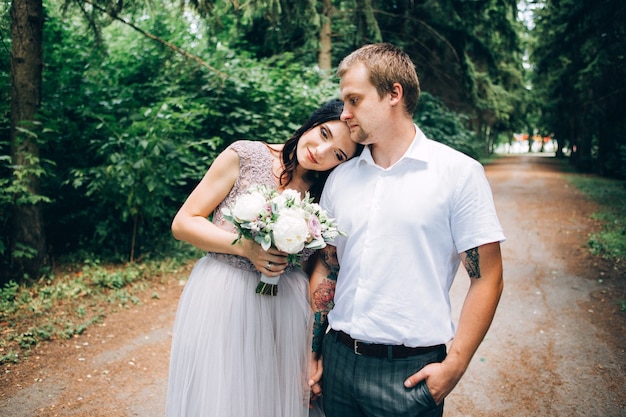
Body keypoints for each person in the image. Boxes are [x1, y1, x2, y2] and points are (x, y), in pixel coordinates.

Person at [308, 43, 505, 417]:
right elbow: (328, 267)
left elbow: (488, 277)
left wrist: (455, 365)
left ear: (393, 93)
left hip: (409, 374)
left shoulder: (458, 174)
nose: (344, 113)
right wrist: (313, 352)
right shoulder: (340, 179)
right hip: (337, 361)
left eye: (354, 99)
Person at [165, 99, 362, 417]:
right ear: (313, 123)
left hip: (285, 309)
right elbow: (184, 222)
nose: (321, 151)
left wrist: (313, 348)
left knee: (269, 400)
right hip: (223, 295)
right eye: (324, 133)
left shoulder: (326, 194)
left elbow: (319, 269)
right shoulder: (245, 155)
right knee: (222, 395)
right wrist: (245, 247)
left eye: (338, 155)